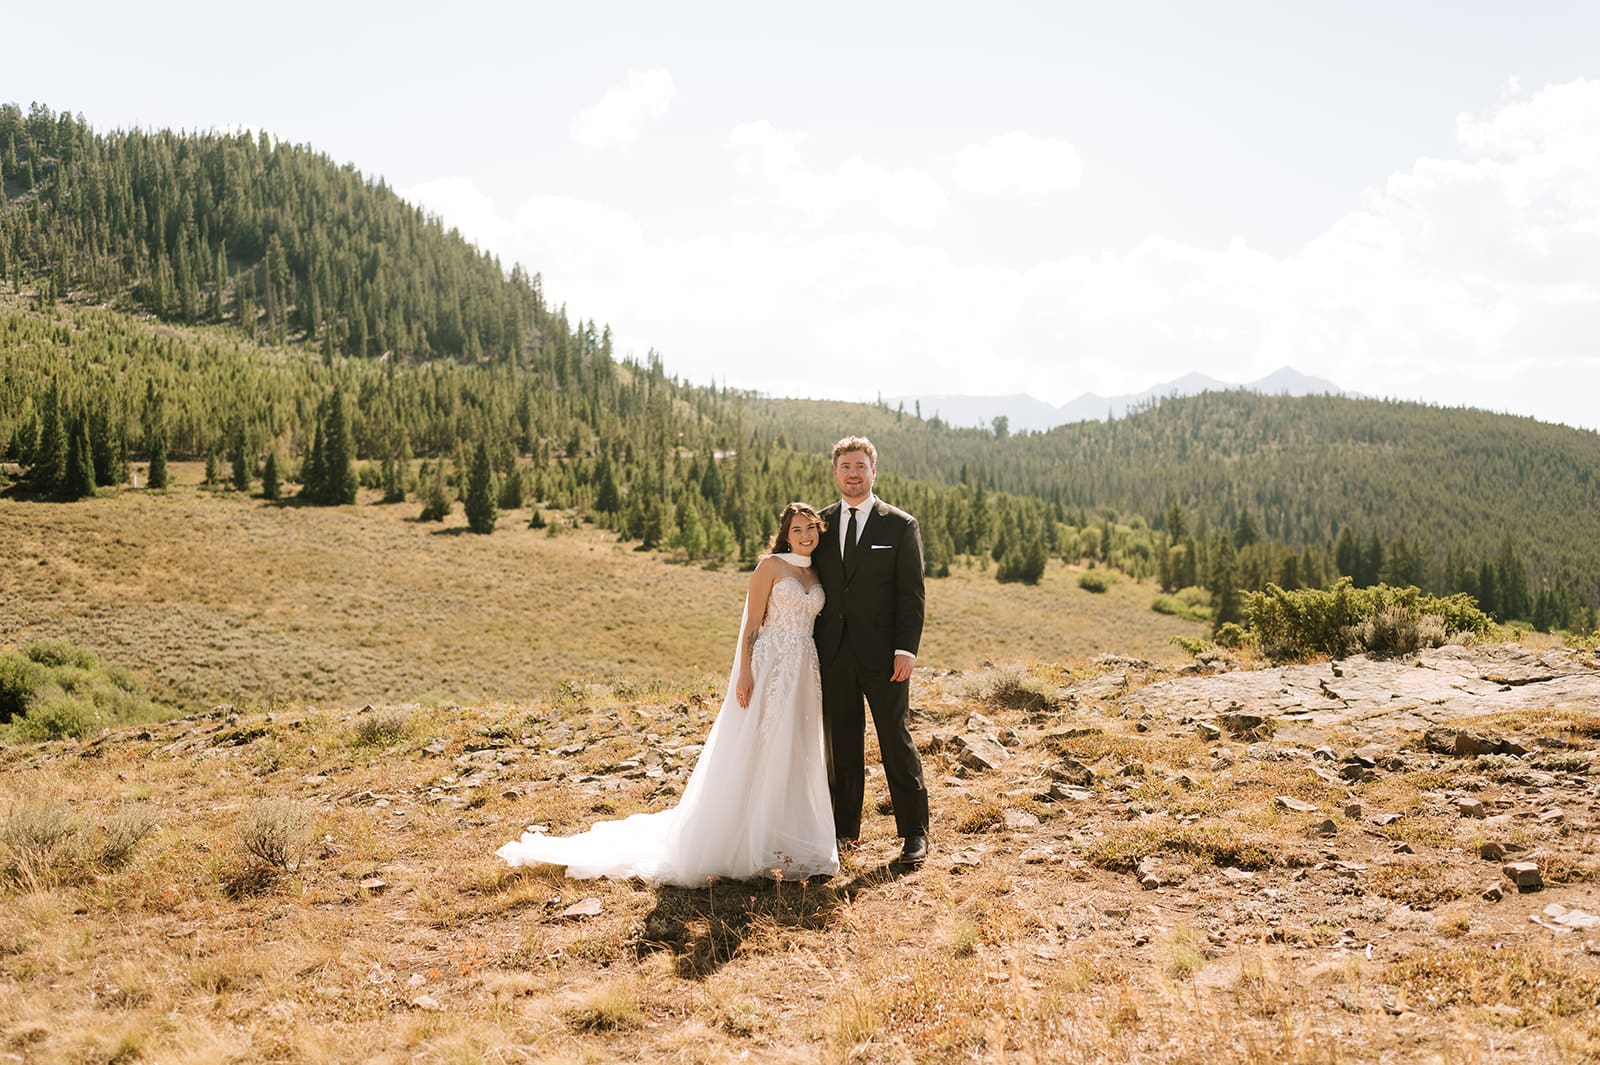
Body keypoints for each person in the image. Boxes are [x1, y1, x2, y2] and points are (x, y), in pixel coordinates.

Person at [495, 503, 838, 886]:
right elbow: (751, 628)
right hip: (770, 664)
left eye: (811, 527)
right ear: (785, 534)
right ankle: (745, 839)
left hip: (805, 667)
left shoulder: (819, 569)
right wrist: (744, 673)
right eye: (797, 529)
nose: (806, 535)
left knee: (795, 748)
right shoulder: (770, 567)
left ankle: (785, 834)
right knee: (759, 744)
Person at [812, 436, 930, 867]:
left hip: (886, 659)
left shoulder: (899, 525)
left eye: (860, 466)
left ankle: (914, 834)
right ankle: (845, 833)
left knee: (895, 740)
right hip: (834, 657)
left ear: (873, 471)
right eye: (845, 466)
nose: (853, 473)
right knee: (842, 746)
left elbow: (911, 595)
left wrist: (906, 650)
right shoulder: (820, 525)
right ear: (835, 472)